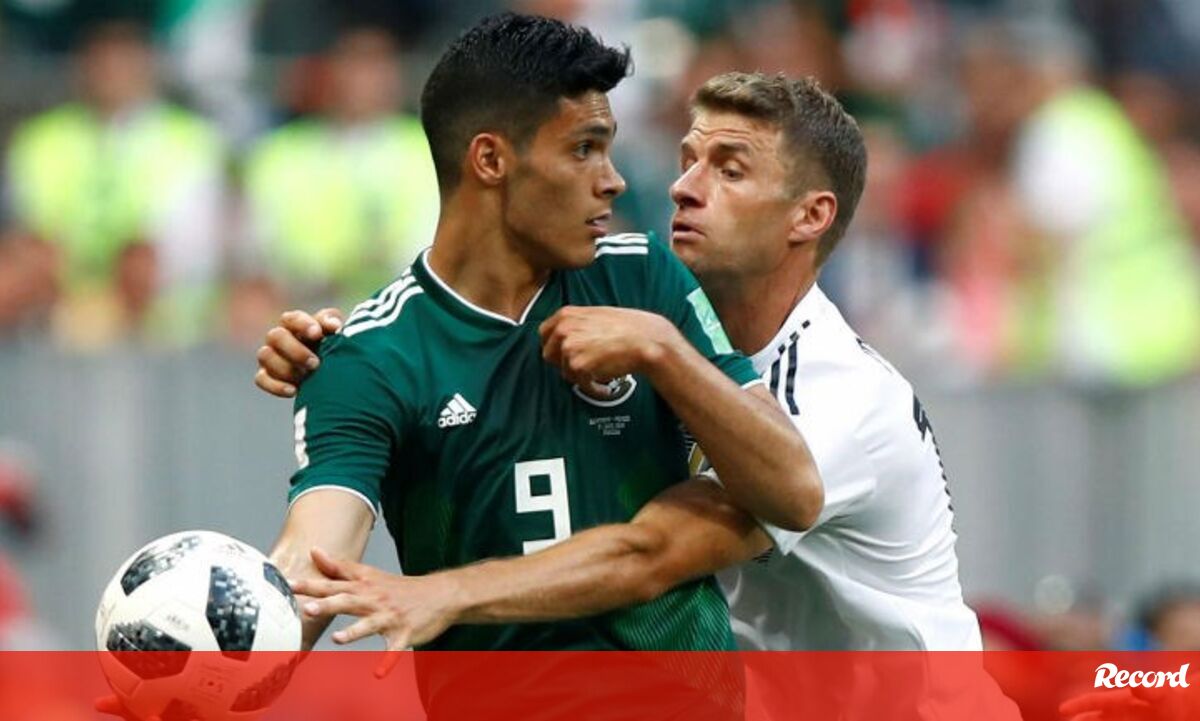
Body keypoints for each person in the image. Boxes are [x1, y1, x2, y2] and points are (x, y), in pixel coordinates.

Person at [257, 13, 821, 720]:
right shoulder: (372, 355)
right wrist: (218, 656)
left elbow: (795, 491)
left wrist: (663, 351)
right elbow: (313, 556)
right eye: (584, 149)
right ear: (491, 160)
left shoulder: (644, 280)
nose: (612, 181)